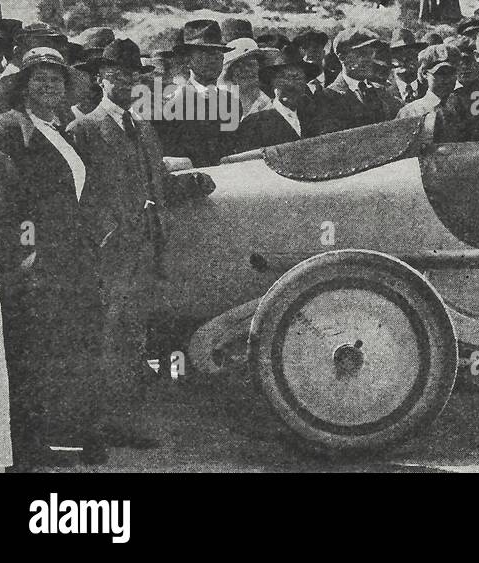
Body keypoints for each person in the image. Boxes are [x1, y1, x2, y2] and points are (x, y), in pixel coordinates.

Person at [69, 38, 216, 452]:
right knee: (111, 338)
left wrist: (191, 184)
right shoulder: (84, 129)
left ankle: (123, 420)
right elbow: (81, 197)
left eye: (133, 76)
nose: (125, 82)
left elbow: (155, 183)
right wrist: (107, 235)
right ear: (100, 78)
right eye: (116, 74)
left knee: (134, 337)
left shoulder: (144, 127)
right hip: (112, 253)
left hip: (149, 249)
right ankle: (105, 424)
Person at [0, 48, 105, 468]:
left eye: (56, 78)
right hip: (34, 259)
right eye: (39, 78)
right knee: (28, 350)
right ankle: (22, 448)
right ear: (23, 86)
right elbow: (2, 198)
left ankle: (46, 439)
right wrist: (26, 248)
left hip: (69, 256)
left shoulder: (62, 131)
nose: (49, 85)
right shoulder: (10, 130)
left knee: (56, 348)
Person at [152, 19, 236, 167]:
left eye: (218, 52)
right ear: (187, 60)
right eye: (205, 52)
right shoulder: (170, 105)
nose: (214, 58)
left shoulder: (231, 103)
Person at [311, 27, 401, 136]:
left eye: (371, 53)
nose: (368, 59)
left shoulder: (380, 94)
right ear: (342, 57)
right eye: (362, 54)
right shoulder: (326, 98)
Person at [232, 46, 321, 151]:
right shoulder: (254, 123)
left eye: (297, 78)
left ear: (304, 83)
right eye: (284, 78)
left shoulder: (314, 114)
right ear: (273, 82)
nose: (290, 84)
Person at [397, 44, 461, 123]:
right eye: (440, 74)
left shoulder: (463, 108)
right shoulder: (411, 112)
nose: (447, 80)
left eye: (451, 73)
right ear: (425, 74)